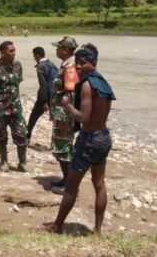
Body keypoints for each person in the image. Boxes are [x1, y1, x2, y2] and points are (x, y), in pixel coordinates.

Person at [44, 43, 116, 235]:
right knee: (99, 184)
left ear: (92, 62)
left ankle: (57, 226)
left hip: (89, 139)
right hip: (104, 137)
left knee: (71, 187)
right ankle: (98, 230)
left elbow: (83, 117)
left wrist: (67, 105)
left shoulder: (86, 84)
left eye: (81, 63)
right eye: (76, 63)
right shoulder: (103, 82)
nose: (77, 67)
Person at [0, 41, 29, 172]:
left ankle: (22, 162)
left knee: (21, 134)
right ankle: (4, 162)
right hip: (0, 110)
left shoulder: (18, 66)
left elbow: (17, 84)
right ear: (2, 53)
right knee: (1, 136)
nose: (14, 53)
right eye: (11, 51)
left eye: (14, 50)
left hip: (16, 108)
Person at [48, 36, 79, 194]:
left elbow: (70, 93)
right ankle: (66, 179)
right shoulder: (67, 64)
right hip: (61, 113)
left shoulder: (70, 66)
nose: (56, 50)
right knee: (61, 146)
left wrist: (63, 117)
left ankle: (69, 185)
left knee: (64, 148)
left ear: (65, 50)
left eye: (58, 47)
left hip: (64, 116)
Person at [26, 47, 57, 141]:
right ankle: (57, 141)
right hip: (55, 94)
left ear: (37, 55)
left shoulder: (41, 66)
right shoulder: (52, 64)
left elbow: (43, 85)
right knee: (56, 118)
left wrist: (44, 101)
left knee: (34, 115)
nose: (34, 58)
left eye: (34, 55)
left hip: (45, 95)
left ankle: (27, 136)